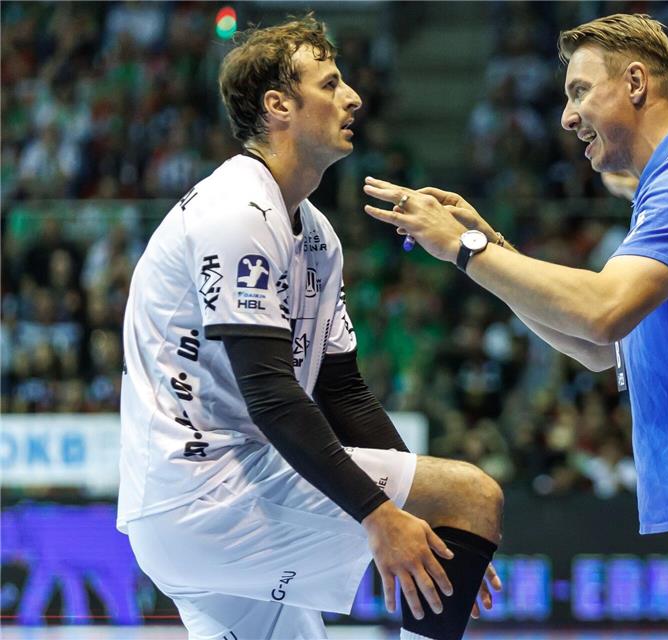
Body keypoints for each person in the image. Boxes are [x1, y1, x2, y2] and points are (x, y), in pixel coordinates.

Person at [363, 13, 668, 640]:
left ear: (635, 82)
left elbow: (602, 312)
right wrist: (486, 247)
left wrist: (467, 249)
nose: (566, 116)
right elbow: (597, 348)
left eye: (579, 91)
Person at [118, 16, 502, 640]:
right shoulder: (236, 212)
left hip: (210, 500)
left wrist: (427, 517)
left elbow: (343, 394)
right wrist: (384, 513)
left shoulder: (316, 234)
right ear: (278, 107)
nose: (353, 98)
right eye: (330, 84)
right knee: (473, 496)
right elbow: (272, 396)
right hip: (210, 495)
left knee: (451, 504)